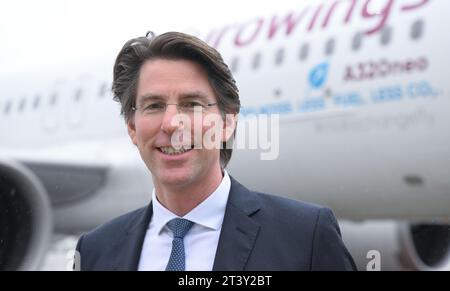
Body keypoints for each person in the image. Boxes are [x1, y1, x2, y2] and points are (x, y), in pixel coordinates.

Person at [75, 31, 356, 271]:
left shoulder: (306, 237)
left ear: (227, 122)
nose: (172, 123)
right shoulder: (95, 252)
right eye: (154, 105)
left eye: (192, 104)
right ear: (132, 127)